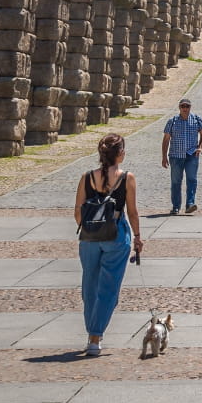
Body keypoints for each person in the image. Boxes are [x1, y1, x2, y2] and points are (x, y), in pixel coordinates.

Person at [74, 132, 142, 356]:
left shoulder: (86, 177)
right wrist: (138, 237)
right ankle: (96, 335)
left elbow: (77, 213)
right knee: (109, 287)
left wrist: (92, 226)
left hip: (89, 238)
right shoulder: (126, 177)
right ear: (119, 154)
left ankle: (93, 333)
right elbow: (132, 212)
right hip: (116, 235)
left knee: (90, 285)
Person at [161, 97, 202, 215]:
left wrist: (200, 146)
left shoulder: (196, 119)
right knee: (176, 181)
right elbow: (166, 139)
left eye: (187, 106)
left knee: (192, 180)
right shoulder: (172, 121)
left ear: (190, 107)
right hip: (176, 155)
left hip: (192, 154)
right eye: (183, 106)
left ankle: (190, 204)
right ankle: (176, 206)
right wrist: (164, 156)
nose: (185, 109)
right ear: (179, 108)